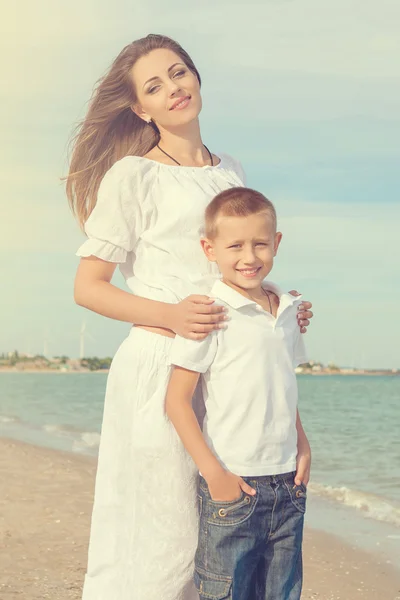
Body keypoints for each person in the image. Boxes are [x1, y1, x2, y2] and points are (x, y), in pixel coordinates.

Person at [65, 34, 313, 600]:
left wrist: (273, 305)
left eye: (179, 73)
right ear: (139, 108)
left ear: (197, 76)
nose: (173, 88)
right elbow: (88, 288)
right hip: (160, 369)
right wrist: (171, 315)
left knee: (223, 546)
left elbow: (233, 266)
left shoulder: (231, 169)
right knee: (163, 544)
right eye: (154, 85)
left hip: (228, 376)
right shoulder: (133, 176)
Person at [166, 187, 311, 600]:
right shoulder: (210, 312)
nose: (249, 257)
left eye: (260, 243)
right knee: (226, 593)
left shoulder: (286, 311)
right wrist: (214, 474)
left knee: (282, 592)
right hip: (234, 484)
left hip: (288, 483)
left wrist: (302, 445)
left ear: (277, 243)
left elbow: (284, 386)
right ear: (209, 249)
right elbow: (177, 401)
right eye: (235, 246)